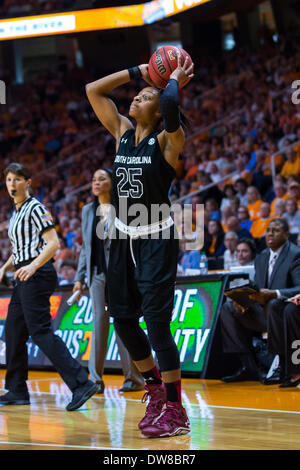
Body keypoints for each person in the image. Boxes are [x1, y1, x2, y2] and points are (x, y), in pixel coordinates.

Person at [85, 51, 193, 437]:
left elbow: (169, 103)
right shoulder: (122, 134)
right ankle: (155, 392)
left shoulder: (169, 137)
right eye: (137, 95)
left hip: (157, 238)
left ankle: (177, 410)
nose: (137, 98)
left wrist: (172, 79)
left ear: (159, 109)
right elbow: (94, 90)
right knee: (124, 320)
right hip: (123, 239)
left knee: (158, 325)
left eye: (145, 96)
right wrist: (137, 71)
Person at [0, 163, 99, 410]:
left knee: (41, 332)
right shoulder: (16, 214)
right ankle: (16, 389)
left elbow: (53, 244)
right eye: (9, 179)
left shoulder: (36, 208)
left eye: (17, 179)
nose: (12, 184)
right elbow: (19, 250)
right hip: (23, 275)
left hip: (38, 274)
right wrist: (4, 268)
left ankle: (81, 383)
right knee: (12, 331)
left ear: (28, 182)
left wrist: (32, 267)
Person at [73, 168, 144, 393]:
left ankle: (133, 379)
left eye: (101, 179)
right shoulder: (87, 211)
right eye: (93, 179)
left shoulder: (123, 208)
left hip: (121, 275)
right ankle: (95, 380)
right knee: (98, 323)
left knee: (123, 323)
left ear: (112, 183)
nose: (96, 182)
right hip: (97, 275)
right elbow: (86, 248)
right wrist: (79, 277)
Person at [220, 218, 300, 383]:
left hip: (283, 312)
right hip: (263, 312)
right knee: (228, 308)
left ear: (286, 235)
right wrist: (244, 299)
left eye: (276, 230)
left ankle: (281, 365)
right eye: (268, 230)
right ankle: (249, 367)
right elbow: (258, 286)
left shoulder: (295, 255)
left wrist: (275, 293)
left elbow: (299, 287)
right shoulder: (262, 256)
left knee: (273, 304)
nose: (270, 233)